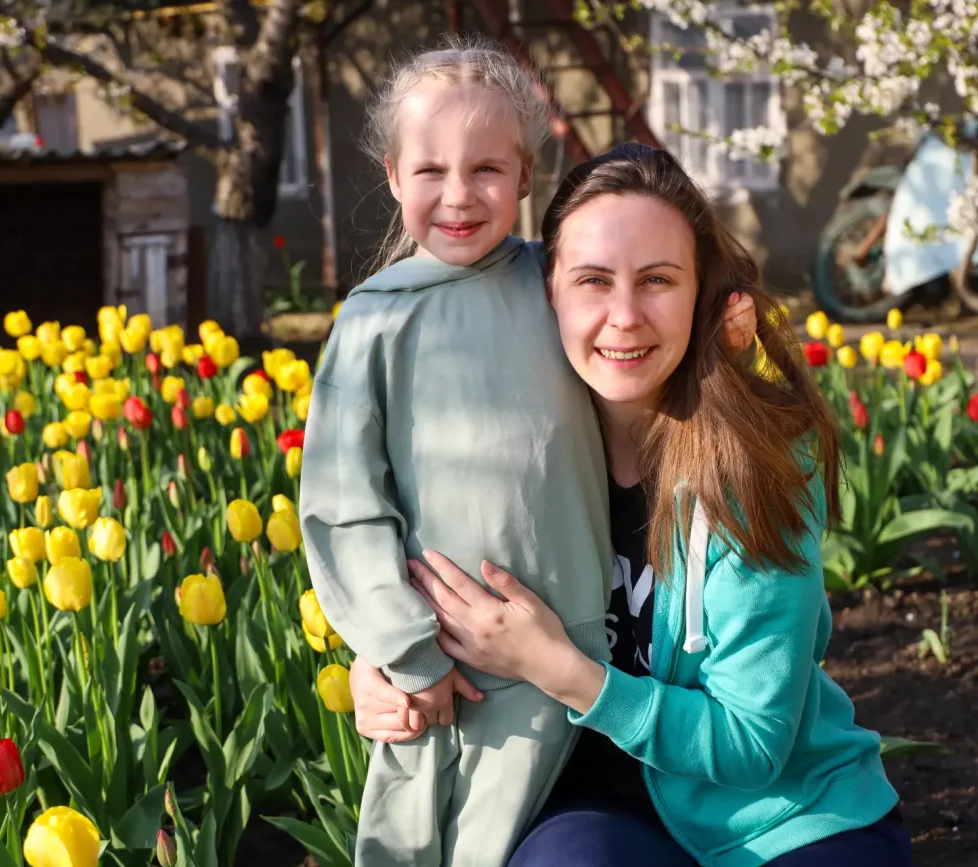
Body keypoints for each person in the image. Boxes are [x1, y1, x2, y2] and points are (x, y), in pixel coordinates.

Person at [349, 142, 912, 867]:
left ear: (702, 292)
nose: (624, 316)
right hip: (597, 806)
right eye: (592, 279)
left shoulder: (759, 460)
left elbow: (753, 744)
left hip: (777, 815)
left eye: (657, 280)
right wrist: (388, 663)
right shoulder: (505, 445)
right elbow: (428, 574)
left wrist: (561, 669)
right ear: (546, 289)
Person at [298, 37, 756, 867]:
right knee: (441, 836)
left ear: (525, 177)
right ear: (394, 177)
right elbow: (343, 505)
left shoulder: (557, 282)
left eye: (487, 170)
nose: (459, 195)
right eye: (430, 170)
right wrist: (395, 649)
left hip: (588, 649)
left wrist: (735, 336)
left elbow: (647, 326)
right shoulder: (372, 323)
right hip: (461, 659)